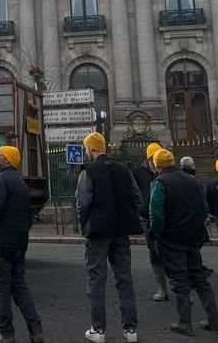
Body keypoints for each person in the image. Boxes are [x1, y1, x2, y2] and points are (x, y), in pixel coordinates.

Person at [76, 132, 143, 343]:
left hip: (97, 230)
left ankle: (98, 329)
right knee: (124, 278)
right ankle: (131, 330)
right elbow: (137, 198)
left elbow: (83, 202)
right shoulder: (124, 169)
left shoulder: (88, 171)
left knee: (96, 279)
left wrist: (84, 224)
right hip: (121, 229)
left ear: (90, 148)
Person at [149, 148, 218, 336]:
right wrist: (194, 226)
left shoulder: (160, 182)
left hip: (171, 238)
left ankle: (185, 323)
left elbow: (156, 212)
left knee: (179, 279)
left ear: (156, 165)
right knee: (199, 277)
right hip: (192, 236)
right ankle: (214, 321)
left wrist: (157, 232)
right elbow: (204, 208)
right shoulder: (191, 180)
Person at [0, 146, 44, 343]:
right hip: (18, 242)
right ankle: (36, 330)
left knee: (0, 288)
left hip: (0, 242)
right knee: (19, 286)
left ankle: (6, 333)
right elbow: (28, 215)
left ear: (7, 159)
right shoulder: (20, 182)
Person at [133, 142, 168, 301]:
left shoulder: (166, 172)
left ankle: (181, 289)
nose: (156, 161)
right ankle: (161, 288)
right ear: (148, 158)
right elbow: (132, 191)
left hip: (167, 217)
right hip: (146, 217)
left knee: (171, 252)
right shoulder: (139, 172)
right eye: (153, 158)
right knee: (154, 252)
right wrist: (138, 208)